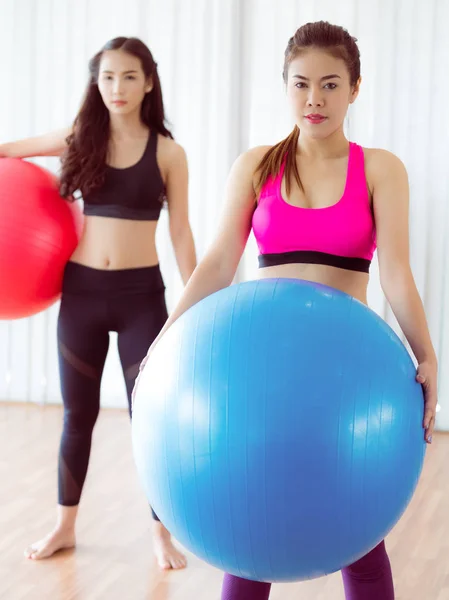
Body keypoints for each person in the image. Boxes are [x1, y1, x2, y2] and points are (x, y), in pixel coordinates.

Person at [133, 21, 438, 599]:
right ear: (285, 86)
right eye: (301, 85)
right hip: (260, 380)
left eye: (330, 84)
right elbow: (219, 263)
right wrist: (166, 341)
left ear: (355, 87)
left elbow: (396, 271)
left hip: (346, 381)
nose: (314, 99)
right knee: (248, 533)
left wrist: (427, 357)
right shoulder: (256, 165)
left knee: (362, 537)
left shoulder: (380, 169)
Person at [0, 36, 196, 569]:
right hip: (82, 296)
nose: (117, 87)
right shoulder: (78, 139)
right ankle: (65, 525)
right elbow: (7, 151)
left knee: (147, 417)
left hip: (141, 300)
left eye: (129, 76)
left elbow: (180, 233)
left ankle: (161, 532)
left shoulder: (168, 153)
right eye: (107, 77)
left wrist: (199, 299)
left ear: (149, 81)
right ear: (96, 82)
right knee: (77, 415)